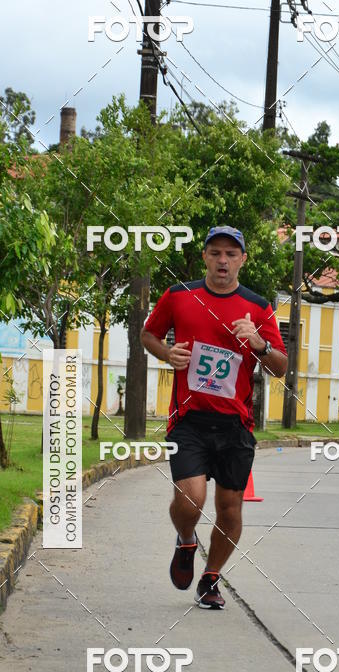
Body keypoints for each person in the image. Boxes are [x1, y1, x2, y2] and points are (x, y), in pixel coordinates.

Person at [141, 225, 288, 609]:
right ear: (205, 256)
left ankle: (210, 578)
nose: (223, 260)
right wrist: (165, 353)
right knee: (191, 500)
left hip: (235, 425)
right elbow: (149, 334)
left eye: (231, 254)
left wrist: (259, 342)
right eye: (216, 253)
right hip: (188, 419)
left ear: (242, 259)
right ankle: (186, 539)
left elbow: (280, 367)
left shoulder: (258, 307)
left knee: (229, 509)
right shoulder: (178, 296)